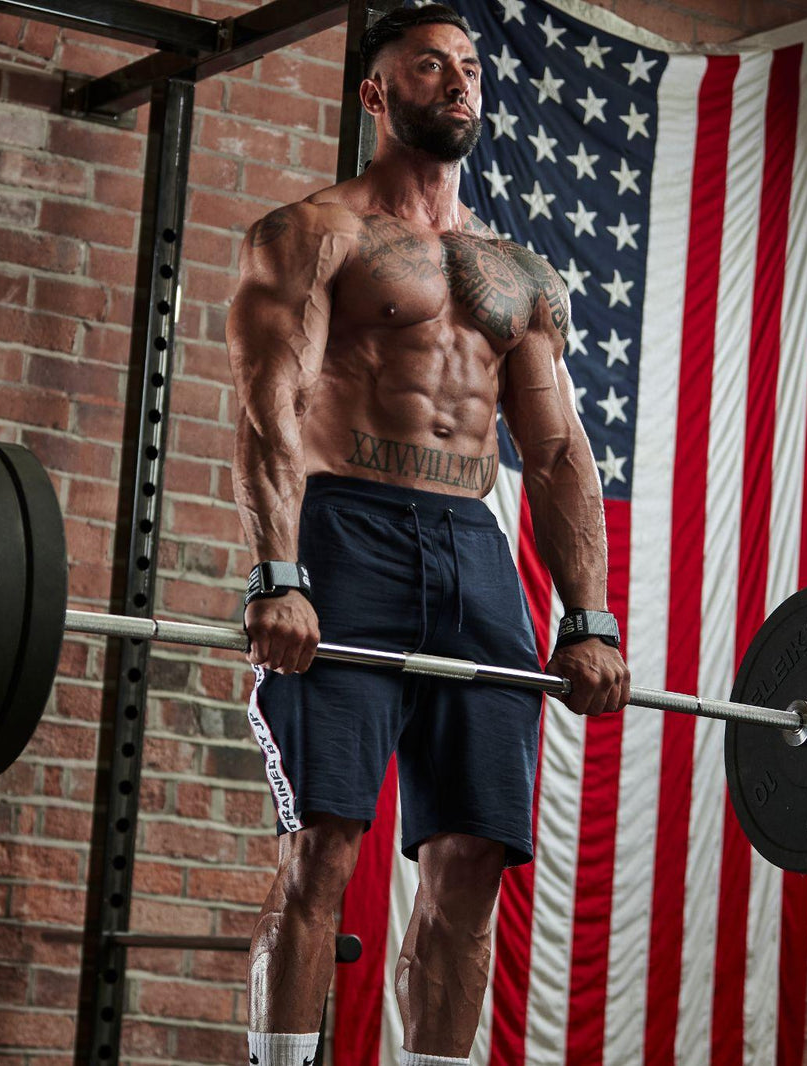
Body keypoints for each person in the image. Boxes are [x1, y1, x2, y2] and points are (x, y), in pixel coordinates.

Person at [225, 5, 632, 1065]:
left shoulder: (517, 276)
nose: (458, 83)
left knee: (471, 861)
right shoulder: (314, 232)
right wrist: (280, 574)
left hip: (472, 546)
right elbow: (268, 409)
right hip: (343, 533)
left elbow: (554, 456)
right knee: (324, 848)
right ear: (375, 94)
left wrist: (587, 616)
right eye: (429, 66)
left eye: (469, 67)